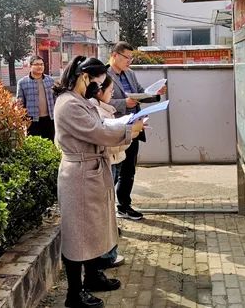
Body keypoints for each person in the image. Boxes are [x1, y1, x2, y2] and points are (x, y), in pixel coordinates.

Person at [53, 56, 144, 308]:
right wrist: (130, 130)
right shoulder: (69, 104)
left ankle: (92, 277)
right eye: (98, 82)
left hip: (91, 171)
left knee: (94, 228)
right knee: (78, 234)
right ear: (85, 77)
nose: (99, 88)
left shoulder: (80, 100)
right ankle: (74, 294)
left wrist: (125, 126)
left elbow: (101, 125)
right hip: (79, 175)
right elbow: (98, 132)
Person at [107, 41, 166, 221]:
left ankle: (124, 206)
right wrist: (123, 103)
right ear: (115, 55)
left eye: (131, 58)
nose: (129, 61)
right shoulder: (103, 75)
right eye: (127, 57)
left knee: (129, 169)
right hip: (115, 127)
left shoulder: (130, 74)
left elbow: (140, 93)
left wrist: (155, 93)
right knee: (113, 170)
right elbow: (99, 101)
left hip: (134, 126)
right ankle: (106, 208)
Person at [88, 75, 129, 268]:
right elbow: (106, 141)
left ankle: (108, 254)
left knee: (108, 208)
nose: (112, 94)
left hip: (115, 160)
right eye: (110, 91)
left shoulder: (103, 108)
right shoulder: (95, 110)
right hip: (108, 162)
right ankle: (106, 256)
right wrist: (128, 133)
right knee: (105, 210)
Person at [16, 55, 55, 141]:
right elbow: (20, 103)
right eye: (36, 64)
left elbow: (55, 99)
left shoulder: (50, 81)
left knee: (50, 144)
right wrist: (22, 119)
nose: (40, 66)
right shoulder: (22, 82)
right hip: (32, 120)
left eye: (41, 64)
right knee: (34, 143)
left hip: (49, 119)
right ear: (30, 66)